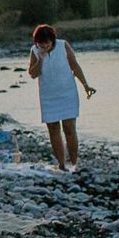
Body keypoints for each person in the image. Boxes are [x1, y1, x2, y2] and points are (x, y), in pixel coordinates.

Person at [28, 24, 96, 172]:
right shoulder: (35, 51)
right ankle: (62, 164)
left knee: (69, 128)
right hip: (48, 95)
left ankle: (74, 162)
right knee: (53, 129)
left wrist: (85, 85)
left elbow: (75, 66)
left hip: (67, 92)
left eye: (47, 42)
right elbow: (33, 74)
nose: (44, 45)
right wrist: (40, 59)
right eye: (41, 43)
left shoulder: (63, 45)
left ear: (52, 40)